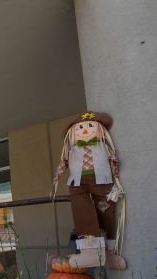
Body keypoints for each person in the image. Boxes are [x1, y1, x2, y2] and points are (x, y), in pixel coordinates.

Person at [53, 111, 126, 270]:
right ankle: (90, 251)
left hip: (102, 181)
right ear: (73, 133)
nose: (84, 130)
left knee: (106, 212)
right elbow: (64, 162)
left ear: (100, 129)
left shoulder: (103, 146)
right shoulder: (72, 149)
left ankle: (109, 253)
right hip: (77, 183)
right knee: (82, 212)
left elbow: (113, 159)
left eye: (90, 126)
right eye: (79, 128)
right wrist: (58, 175)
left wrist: (116, 176)